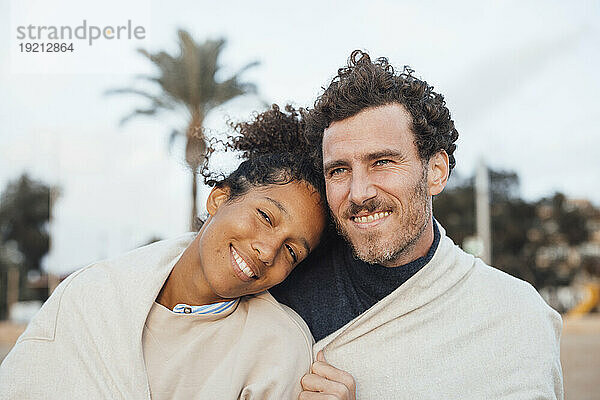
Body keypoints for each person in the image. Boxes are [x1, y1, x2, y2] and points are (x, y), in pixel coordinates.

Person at [271, 51, 563, 399]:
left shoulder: (515, 317)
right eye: (339, 170)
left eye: (381, 162)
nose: (359, 193)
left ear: (436, 172)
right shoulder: (282, 295)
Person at [0, 105, 328, 399]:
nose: (268, 251)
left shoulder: (278, 350)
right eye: (266, 216)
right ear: (219, 198)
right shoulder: (92, 294)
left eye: (291, 251)